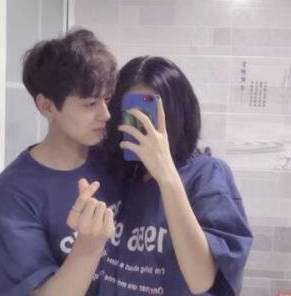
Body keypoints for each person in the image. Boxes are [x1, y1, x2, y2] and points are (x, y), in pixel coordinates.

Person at [0, 28, 123, 296]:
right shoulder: (13, 193)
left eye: (106, 99)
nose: (105, 114)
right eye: (90, 104)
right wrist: (88, 247)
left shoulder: (112, 159)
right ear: (47, 106)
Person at [100, 56, 253, 295]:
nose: (143, 125)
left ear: (177, 113)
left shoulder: (206, 174)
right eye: (132, 114)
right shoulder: (121, 176)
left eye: (150, 113)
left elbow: (201, 280)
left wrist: (167, 175)